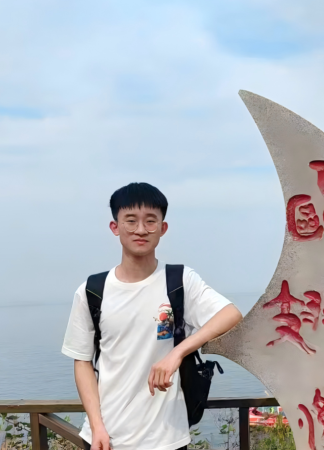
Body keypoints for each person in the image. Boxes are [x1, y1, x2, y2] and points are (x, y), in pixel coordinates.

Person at [61, 183, 243, 450]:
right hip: (106, 438)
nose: (141, 229)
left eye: (150, 221)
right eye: (130, 220)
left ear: (162, 228)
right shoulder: (92, 291)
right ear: (115, 227)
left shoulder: (180, 281)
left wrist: (177, 353)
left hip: (166, 439)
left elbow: (231, 314)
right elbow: (82, 362)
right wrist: (97, 425)